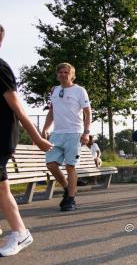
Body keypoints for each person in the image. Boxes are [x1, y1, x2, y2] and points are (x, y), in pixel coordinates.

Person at [0, 24, 53, 257]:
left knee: (1, 187)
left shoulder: (0, 68)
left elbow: (18, 107)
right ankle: (17, 231)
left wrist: (38, 138)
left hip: (1, 136)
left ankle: (20, 232)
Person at [41, 62, 92, 212]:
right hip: (57, 134)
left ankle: (70, 199)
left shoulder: (80, 91)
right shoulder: (54, 90)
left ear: (72, 75)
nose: (63, 75)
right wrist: (45, 129)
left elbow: (88, 113)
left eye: (66, 72)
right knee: (51, 164)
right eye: (60, 72)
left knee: (70, 166)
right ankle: (68, 189)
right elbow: (52, 111)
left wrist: (86, 132)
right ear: (57, 74)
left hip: (74, 133)